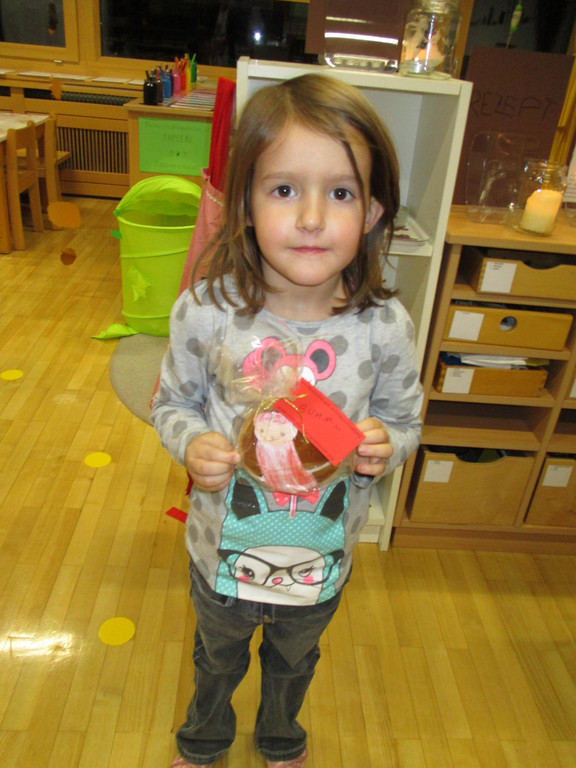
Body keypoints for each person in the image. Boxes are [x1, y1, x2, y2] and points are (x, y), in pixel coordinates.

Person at [151, 73, 423, 768]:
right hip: (221, 554)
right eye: (282, 189)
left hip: (321, 560)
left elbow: (405, 419)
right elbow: (171, 404)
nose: (311, 217)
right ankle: (204, 739)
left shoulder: (385, 327)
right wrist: (194, 443)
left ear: (373, 212)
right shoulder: (206, 312)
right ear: (243, 204)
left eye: (341, 193)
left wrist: (387, 444)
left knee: (295, 660)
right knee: (216, 658)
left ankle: (279, 737)